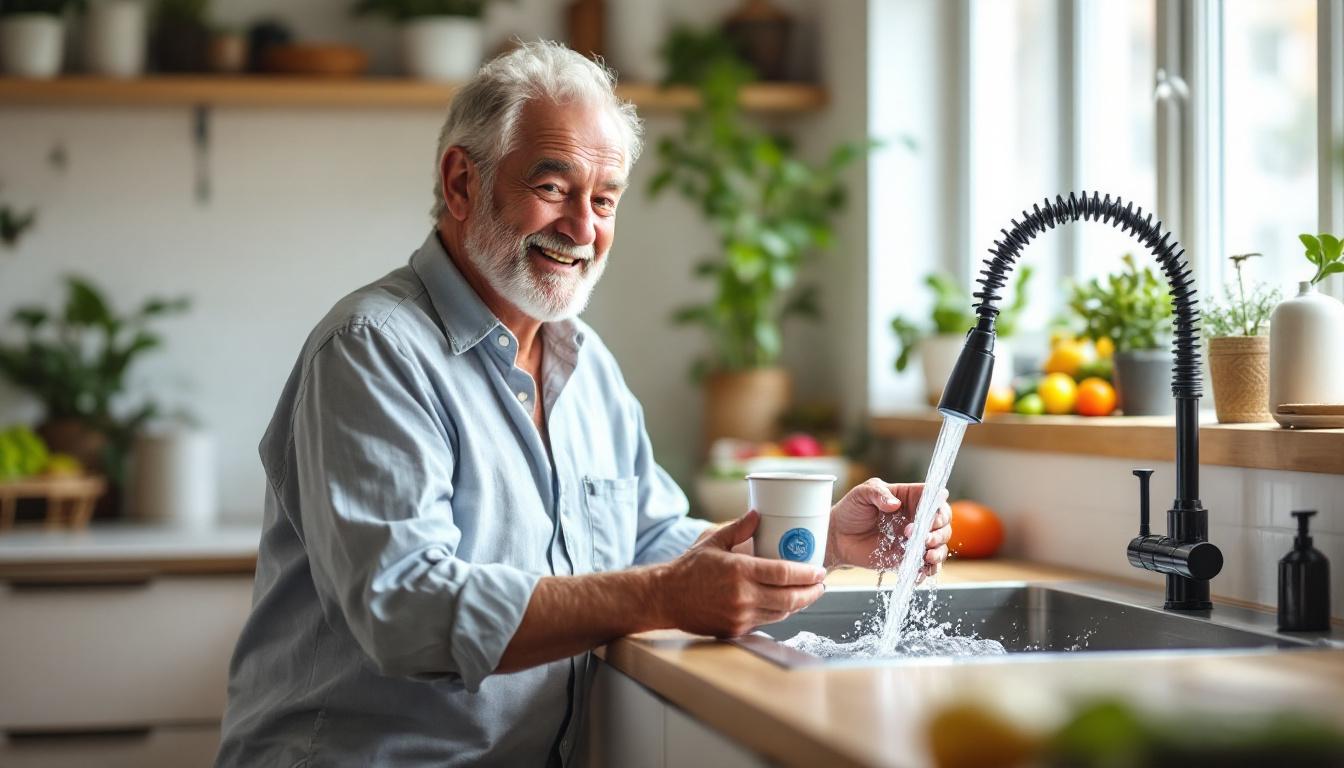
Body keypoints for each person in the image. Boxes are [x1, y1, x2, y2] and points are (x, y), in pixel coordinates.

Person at [215, 41, 951, 768]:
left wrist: (822, 541)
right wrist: (662, 597)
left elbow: (649, 540)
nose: (582, 228)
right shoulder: (373, 349)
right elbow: (405, 613)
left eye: (604, 200)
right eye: (553, 187)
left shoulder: (584, 362)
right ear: (463, 182)